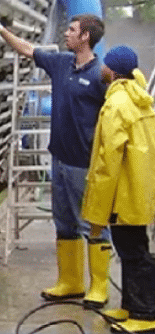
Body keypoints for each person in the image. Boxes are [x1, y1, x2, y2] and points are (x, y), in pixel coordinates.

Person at [0, 5, 111, 308]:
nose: (66, 33)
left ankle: (99, 286)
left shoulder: (102, 75)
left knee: (92, 223)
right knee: (63, 221)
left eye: (72, 30)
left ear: (86, 37)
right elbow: (27, 49)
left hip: (85, 163)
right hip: (60, 159)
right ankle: (71, 281)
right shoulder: (62, 63)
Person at [82, 45, 155, 333]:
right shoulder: (140, 99)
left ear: (111, 70)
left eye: (105, 63)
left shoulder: (116, 105)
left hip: (122, 194)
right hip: (138, 189)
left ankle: (145, 314)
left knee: (135, 254)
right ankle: (130, 306)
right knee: (131, 250)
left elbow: (106, 162)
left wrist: (96, 211)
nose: (101, 67)